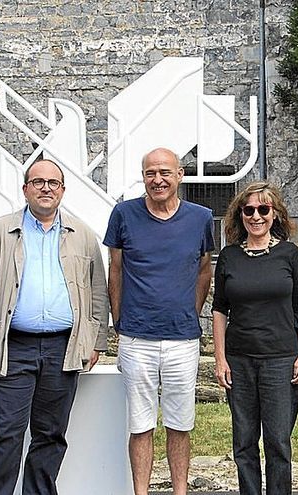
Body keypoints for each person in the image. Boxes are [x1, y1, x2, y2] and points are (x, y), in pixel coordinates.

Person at [0, 159, 109, 495]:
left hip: (62, 348)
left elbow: (97, 291)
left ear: (62, 190)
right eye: (38, 182)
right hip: (12, 347)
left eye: (53, 183)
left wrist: (96, 341)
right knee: (4, 433)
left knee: (51, 434)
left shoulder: (82, 235)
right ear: (25, 188)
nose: (46, 188)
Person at [103, 147, 215, 495]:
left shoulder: (201, 217)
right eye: (150, 173)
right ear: (143, 176)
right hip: (137, 338)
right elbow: (116, 269)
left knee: (180, 423)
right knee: (140, 424)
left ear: (180, 175)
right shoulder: (123, 214)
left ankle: (179, 491)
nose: (158, 179)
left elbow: (204, 268)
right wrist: (120, 320)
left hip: (183, 339)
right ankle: (142, 492)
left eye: (165, 172)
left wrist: (189, 312)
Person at [212, 181, 298, 495]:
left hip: (281, 359)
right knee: (243, 441)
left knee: (278, 441)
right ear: (239, 215)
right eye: (249, 210)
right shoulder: (229, 256)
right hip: (239, 361)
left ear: (275, 214)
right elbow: (219, 308)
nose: (256, 216)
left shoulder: (289, 254)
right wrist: (220, 357)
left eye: (263, 209)